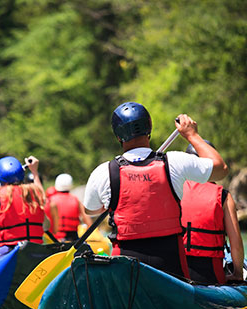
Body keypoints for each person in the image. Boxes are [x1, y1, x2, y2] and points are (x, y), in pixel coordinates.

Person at [83, 102, 228, 278]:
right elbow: (221, 168)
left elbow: (90, 210)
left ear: (118, 137)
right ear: (149, 129)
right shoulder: (175, 162)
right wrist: (192, 135)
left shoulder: (103, 172)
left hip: (126, 267)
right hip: (171, 266)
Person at [181, 143, 244, 284]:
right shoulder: (223, 196)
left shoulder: (173, 189)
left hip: (175, 271)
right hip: (210, 274)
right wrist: (238, 273)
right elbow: (236, 243)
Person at [49, 173, 92, 241]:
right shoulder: (76, 200)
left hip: (55, 238)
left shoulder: (51, 200)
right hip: (73, 238)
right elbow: (89, 223)